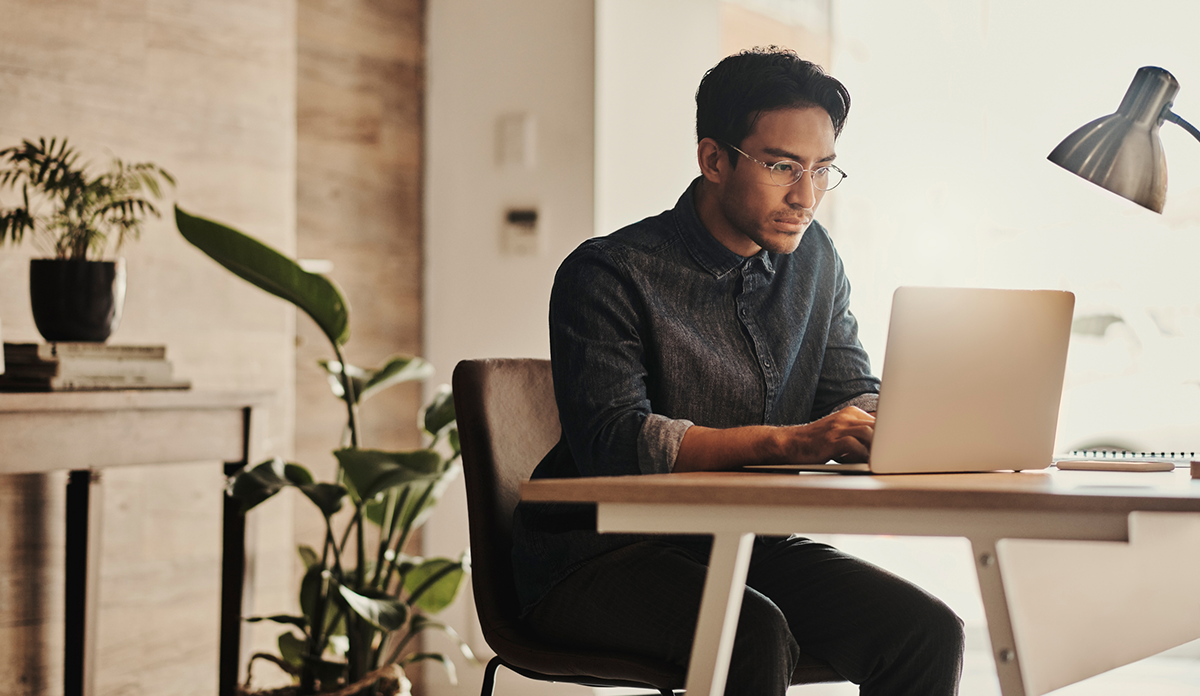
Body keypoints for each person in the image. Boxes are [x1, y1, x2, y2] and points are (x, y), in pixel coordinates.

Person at [511, 46, 965, 695]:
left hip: (746, 545)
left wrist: (920, 416)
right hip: (595, 557)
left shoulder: (815, 262)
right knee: (749, 632)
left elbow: (847, 393)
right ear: (714, 160)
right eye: (782, 166)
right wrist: (790, 442)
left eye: (822, 170)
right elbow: (616, 444)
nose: (806, 196)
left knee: (926, 632)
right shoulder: (610, 272)